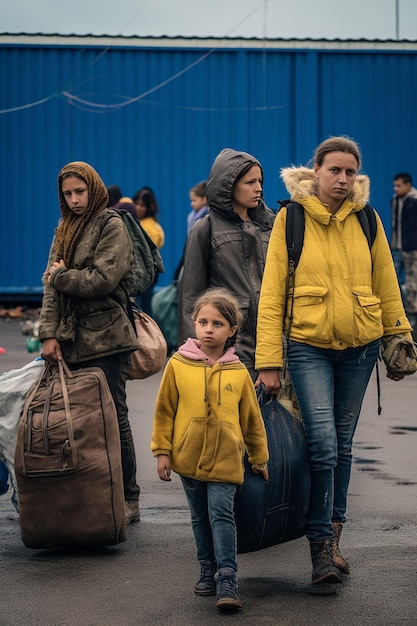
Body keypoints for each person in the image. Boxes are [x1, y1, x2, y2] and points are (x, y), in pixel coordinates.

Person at [255, 136, 413, 585]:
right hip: (307, 347)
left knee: (342, 446)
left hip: (360, 348)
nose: (342, 179)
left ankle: (332, 540)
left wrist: (400, 340)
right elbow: (270, 295)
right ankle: (320, 544)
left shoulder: (368, 219)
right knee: (322, 443)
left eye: (349, 172)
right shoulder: (292, 219)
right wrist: (268, 359)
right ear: (316, 171)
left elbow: (386, 282)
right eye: (333, 171)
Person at [151, 287, 269, 611]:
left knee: (221, 515)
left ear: (232, 330)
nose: (208, 329)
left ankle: (227, 577)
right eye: (202, 322)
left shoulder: (239, 371)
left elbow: (252, 421)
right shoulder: (177, 365)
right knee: (199, 517)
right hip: (188, 457)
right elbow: (164, 411)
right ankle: (207, 568)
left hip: (227, 460)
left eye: (217, 324)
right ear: (193, 323)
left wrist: (259, 458)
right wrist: (163, 451)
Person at [38, 161, 141, 524]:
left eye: (80, 191)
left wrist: (62, 274)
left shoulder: (112, 224)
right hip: (71, 339)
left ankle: (129, 497)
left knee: (114, 416)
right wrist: (47, 334)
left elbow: (102, 280)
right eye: (68, 194)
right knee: (78, 421)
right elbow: (50, 288)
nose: (75, 199)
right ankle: (91, 493)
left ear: (93, 189)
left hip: (109, 338)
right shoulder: (63, 228)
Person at [178, 148, 276, 381]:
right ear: (228, 185)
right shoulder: (206, 228)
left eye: (260, 181)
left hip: (272, 341)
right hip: (230, 343)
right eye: (250, 182)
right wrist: (194, 353)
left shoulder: (272, 225)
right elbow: (190, 295)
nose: (258, 188)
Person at [132, 187, 165, 315]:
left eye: (143, 205)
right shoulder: (140, 223)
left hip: (146, 272)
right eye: (137, 204)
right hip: (145, 272)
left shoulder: (149, 227)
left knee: (143, 309)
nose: (139, 208)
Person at [391, 173, 417, 314]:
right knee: (392, 278)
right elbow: (396, 224)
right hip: (398, 248)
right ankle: (399, 308)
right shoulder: (395, 200)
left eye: (399, 186)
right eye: (394, 185)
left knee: (413, 280)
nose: (395, 189)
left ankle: (413, 310)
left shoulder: (414, 200)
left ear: (408, 185)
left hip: (412, 248)